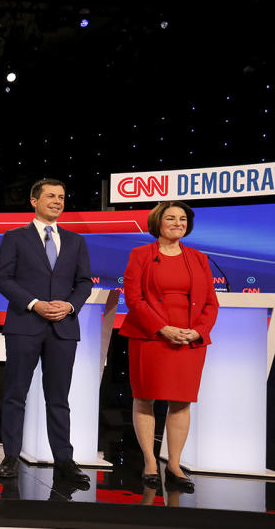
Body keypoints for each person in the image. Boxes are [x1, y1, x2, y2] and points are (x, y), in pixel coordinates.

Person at [0, 178, 93, 484]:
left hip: (63, 328)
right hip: (25, 325)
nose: (57, 201)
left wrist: (70, 306)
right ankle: (11, 456)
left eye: (61, 197)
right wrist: (34, 303)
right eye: (50, 196)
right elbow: (3, 279)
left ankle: (64, 459)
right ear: (34, 201)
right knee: (15, 395)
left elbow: (85, 282)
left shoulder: (75, 241)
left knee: (59, 397)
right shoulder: (15, 237)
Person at [119, 201, 218, 493]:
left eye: (183, 218)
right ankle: (150, 461)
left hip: (189, 339)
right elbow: (134, 298)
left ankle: (174, 464)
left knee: (181, 400)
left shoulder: (199, 258)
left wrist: (197, 331)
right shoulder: (140, 255)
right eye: (171, 218)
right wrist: (163, 328)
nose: (178, 222)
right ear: (157, 223)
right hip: (151, 336)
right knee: (145, 396)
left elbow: (211, 302)